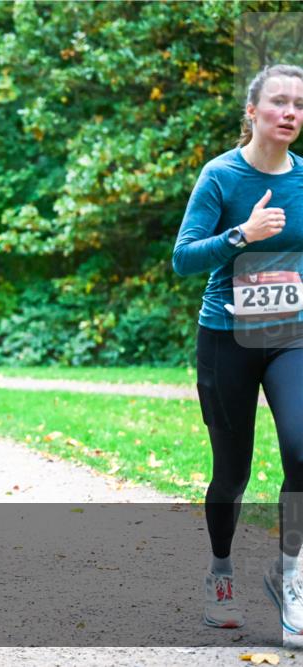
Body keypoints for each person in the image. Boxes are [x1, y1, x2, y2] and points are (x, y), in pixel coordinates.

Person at [173, 64, 303, 631]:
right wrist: (240, 236)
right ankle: (221, 572)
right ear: (252, 112)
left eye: (299, 103)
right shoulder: (221, 176)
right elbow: (183, 258)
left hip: (291, 336)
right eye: (278, 102)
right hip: (227, 337)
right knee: (232, 473)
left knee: (302, 449)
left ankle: (290, 574)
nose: (291, 112)